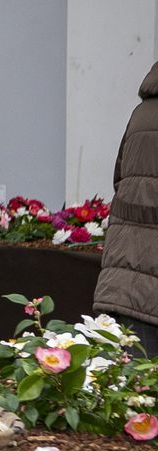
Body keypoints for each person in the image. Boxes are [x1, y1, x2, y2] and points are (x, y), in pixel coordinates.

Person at [94, 61, 158, 356]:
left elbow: (120, 180)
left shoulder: (141, 112)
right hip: (149, 290)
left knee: (130, 392)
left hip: (122, 280)